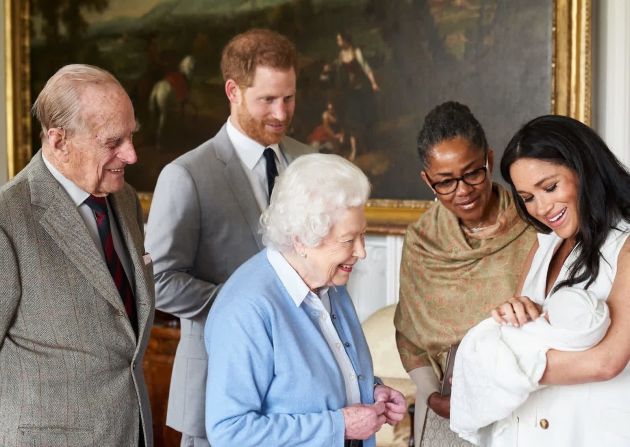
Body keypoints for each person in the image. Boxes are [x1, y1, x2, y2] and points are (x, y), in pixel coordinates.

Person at [145, 28, 311, 446]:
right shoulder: (186, 176)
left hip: (302, 396)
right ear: (233, 91)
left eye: (288, 98)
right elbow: (159, 282)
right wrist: (249, 306)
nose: (281, 113)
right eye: (267, 100)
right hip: (217, 390)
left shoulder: (310, 162)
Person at [204, 153, 407, 446]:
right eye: (349, 240)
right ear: (302, 240)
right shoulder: (247, 309)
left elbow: (316, 384)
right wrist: (339, 426)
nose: (361, 252)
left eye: (363, 235)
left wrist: (371, 392)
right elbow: (231, 432)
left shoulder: (330, 282)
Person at [0, 64, 154, 446]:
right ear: (58, 140)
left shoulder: (126, 200)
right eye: (112, 142)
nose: (131, 155)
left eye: (131, 136)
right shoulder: (8, 219)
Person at [393, 101, 536, 446]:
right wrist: (432, 396)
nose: (463, 190)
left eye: (472, 173)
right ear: (428, 181)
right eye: (445, 182)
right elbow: (410, 335)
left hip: (526, 402)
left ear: (489, 159)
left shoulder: (533, 223)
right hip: (447, 407)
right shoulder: (422, 242)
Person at [486, 114, 630, 446]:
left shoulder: (624, 245)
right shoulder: (543, 246)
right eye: (527, 197)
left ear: (585, 168)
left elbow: (607, 362)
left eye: (550, 187)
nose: (542, 207)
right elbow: (525, 331)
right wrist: (516, 312)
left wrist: (502, 367)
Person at [451, 287, 609, 445]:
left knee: (490, 366)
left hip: (505, 368)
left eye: (548, 317)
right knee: (480, 351)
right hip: (495, 347)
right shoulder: (549, 319)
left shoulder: (544, 350)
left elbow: (513, 377)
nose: (544, 316)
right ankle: (463, 388)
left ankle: (466, 400)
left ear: (565, 337)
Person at [321, 32, 379, 161]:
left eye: (339, 39)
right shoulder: (341, 56)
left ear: (345, 40)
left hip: (362, 89)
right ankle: (355, 150)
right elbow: (338, 72)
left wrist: (373, 82)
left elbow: (366, 67)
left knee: (365, 117)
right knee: (352, 120)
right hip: (350, 92)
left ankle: (367, 146)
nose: (338, 42)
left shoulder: (356, 52)